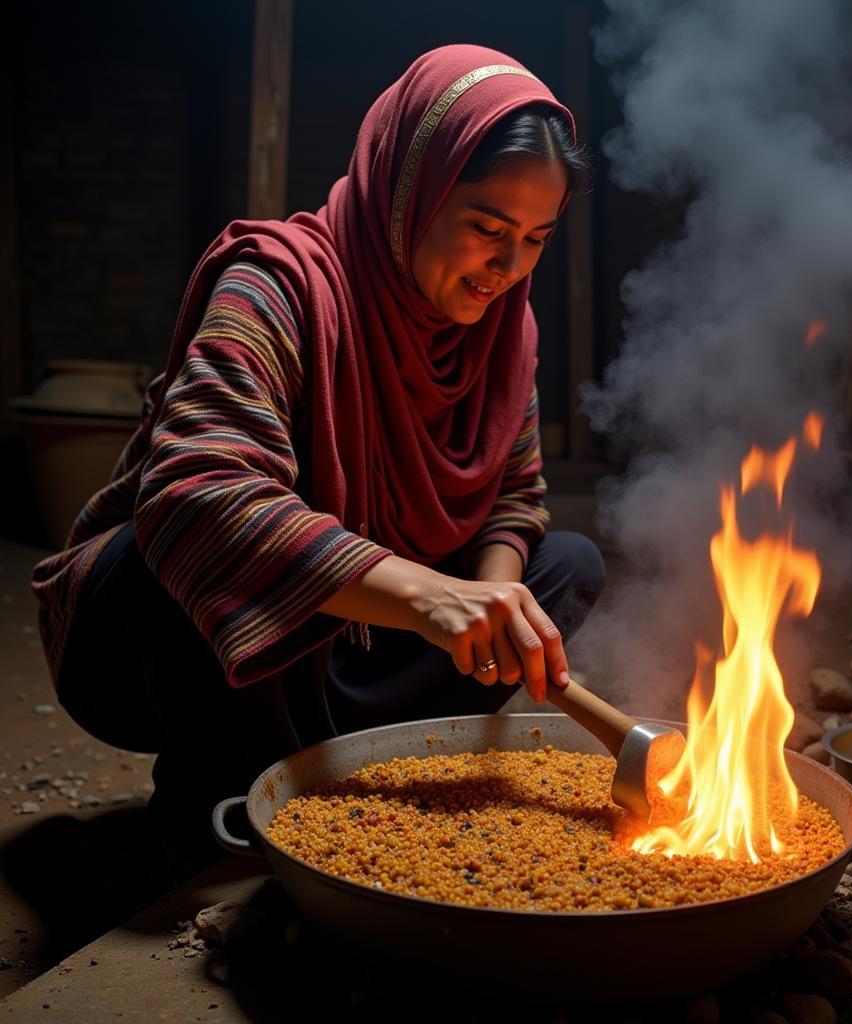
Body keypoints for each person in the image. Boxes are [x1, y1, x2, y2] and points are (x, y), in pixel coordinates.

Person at [30, 44, 605, 879]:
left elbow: (516, 496)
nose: (508, 268)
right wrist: (427, 596)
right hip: (168, 648)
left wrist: (487, 592)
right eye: (486, 229)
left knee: (563, 567)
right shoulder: (279, 284)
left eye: (536, 239)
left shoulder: (505, 330)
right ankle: (221, 811)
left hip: (350, 654)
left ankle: (345, 769)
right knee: (199, 537)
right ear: (411, 191)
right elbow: (197, 490)